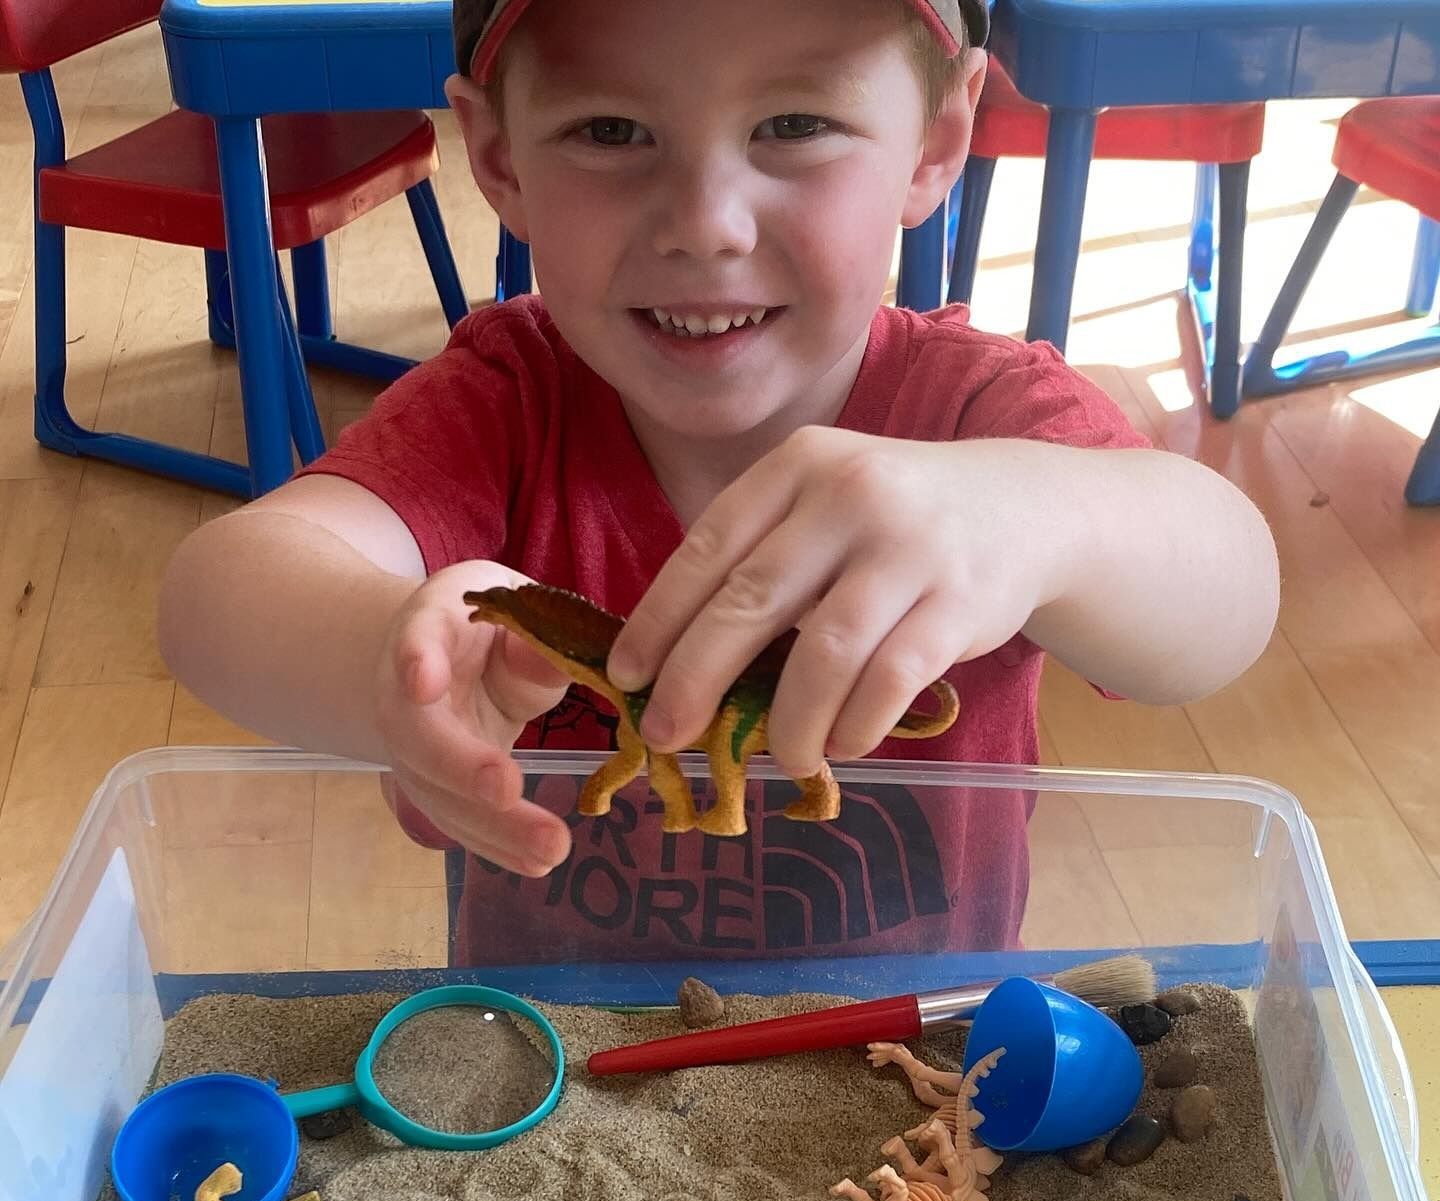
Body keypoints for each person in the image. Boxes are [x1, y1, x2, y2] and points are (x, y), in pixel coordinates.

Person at [158, 0, 1280, 965]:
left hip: (917, 1054)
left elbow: (1228, 599)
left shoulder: (985, 412)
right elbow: (218, 588)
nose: (705, 226)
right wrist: (381, 656)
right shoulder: (504, 405)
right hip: (548, 1070)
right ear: (499, 161)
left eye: (795, 125)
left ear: (936, 143)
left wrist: (1049, 517)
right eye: (611, 131)